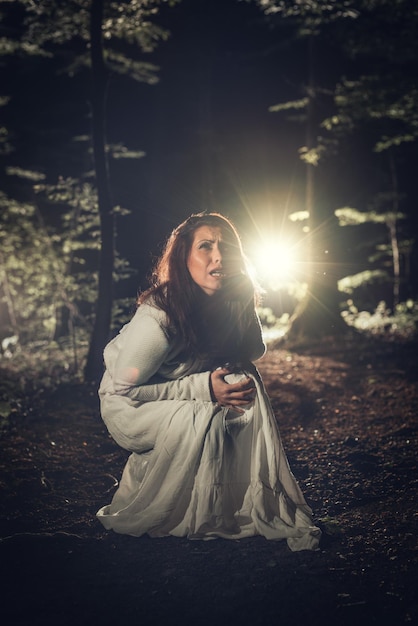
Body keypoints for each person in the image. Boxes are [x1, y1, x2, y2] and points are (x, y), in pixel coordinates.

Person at [97, 212, 321, 551]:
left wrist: (243, 299)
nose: (219, 256)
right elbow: (123, 389)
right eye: (206, 247)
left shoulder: (224, 300)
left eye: (226, 247)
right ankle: (179, 509)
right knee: (199, 414)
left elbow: (253, 349)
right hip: (130, 405)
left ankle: (231, 502)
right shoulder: (160, 317)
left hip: (175, 391)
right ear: (184, 258)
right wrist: (202, 389)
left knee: (242, 377)